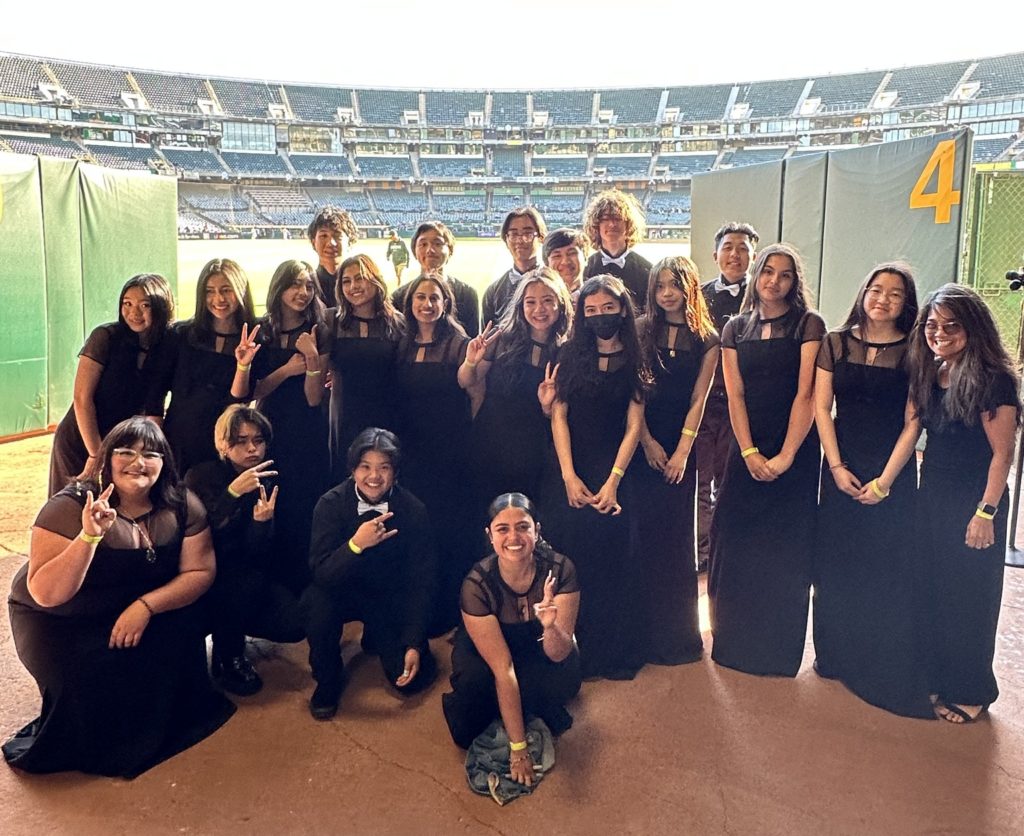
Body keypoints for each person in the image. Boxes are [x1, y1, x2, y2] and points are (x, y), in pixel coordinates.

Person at [3, 417, 235, 777]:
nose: (138, 462)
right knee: (82, 683)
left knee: (172, 648)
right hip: (59, 614)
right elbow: (47, 594)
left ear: (165, 462)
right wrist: (89, 537)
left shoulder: (182, 503)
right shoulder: (66, 507)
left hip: (131, 602)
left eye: (151, 453)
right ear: (107, 458)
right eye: (126, 451)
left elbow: (200, 572)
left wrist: (145, 607)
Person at [812, 263, 933, 718]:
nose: (883, 299)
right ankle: (836, 655)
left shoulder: (914, 349)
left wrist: (886, 480)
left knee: (883, 567)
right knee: (837, 564)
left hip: (892, 472)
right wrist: (837, 466)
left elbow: (914, 421)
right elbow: (823, 407)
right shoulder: (835, 343)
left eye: (895, 294)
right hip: (842, 465)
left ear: (907, 303)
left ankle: (873, 655)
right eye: (876, 289)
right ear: (863, 292)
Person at [709, 244, 825, 677]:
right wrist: (750, 452)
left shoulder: (809, 324)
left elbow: (806, 393)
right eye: (768, 273)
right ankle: (734, 643)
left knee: (785, 550)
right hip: (747, 447)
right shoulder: (735, 328)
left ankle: (776, 651)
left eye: (786, 275)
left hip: (793, 445)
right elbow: (735, 394)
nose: (775, 282)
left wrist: (787, 455)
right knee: (737, 543)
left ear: (795, 283)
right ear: (756, 277)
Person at [908, 284, 1020, 724]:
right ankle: (939, 675)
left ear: (972, 328)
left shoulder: (994, 379)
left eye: (952, 326)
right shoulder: (934, 371)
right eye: (933, 325)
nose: (940, 333)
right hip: (932, 494)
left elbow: (1002, 454)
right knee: (934, 591)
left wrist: (986, 512)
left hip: (975, 502)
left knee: (969, 598)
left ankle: (972, 690)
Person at [546, 275, 648, 680]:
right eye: (590, 311)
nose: (599, 317)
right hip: (575, 469)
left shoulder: (638, 356)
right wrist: (569, 476)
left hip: (619, 474)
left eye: (607, 308)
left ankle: (614, 652)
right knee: (578, 560)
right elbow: (559, 416)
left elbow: (634, 425)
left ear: (622, 308)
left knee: (616, 563)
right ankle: (575, 653)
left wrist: (614, 481)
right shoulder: (569, 354)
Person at [442, 493, 581, 785]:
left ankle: (515, 708)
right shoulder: (476, 584)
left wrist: (551, 626)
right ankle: (508, 711)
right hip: (488, 652)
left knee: (561, 684)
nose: (513, 537)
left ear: (537, 531)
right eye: (502, 529)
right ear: (489, 536)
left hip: (538, 642)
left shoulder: (561, 569)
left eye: (523, 527)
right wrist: (519, 751)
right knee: (468, 721)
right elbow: (503, 670)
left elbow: (558, 653)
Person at [305, 428, 438, 720]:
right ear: (352, 470)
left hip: (387, 594)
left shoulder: (413, 510)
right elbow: (321, 574)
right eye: (365, 466)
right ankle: (327, 680)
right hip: (340, 589)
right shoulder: (330, 504)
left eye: (383, 468)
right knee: (317, 606)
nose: (374, 476)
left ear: (395, 472)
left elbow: (421, 581)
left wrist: (414, 641)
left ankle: (379, 636)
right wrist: (355, 545)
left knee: (411, 681)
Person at [185, 406, 306, 696]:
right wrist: (233, 493)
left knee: (294, 623)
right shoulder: (201, 476)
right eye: (241, 441)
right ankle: (228, 655)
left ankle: (237, 627)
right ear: (223, 445)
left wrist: (261, 524)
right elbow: (200, 534)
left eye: (258, 440)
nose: (252, 448)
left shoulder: (269, 476)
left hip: (248, 572)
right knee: (237, 582)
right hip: (206, 572)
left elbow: (258, 551)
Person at [633, 257, 719, 665]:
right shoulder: (640, 329)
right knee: (642, 536)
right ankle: (642, 634)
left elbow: (699, 399)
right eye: (660, 285)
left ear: (690, 288)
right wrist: (646, 441)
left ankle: (676, 639)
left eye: (675, 285)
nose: (667, 293)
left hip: (681, 448)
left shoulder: (707, 338)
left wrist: (682, 451)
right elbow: (633, 393)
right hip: (641, 439)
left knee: (676, 541)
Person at [395, 274, 482, 634]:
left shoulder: (458, 342)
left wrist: (473, 363)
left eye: (434, 298)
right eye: (420, 297)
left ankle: (451, 608)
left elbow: (468, 383)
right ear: (410, 302)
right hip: (412, 452)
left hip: (449, 451)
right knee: (417, 528)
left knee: (449, 528)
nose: (427, 304)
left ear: (445, 303)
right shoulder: (400, 342)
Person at [240, 260, 330, 593]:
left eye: (308, 285)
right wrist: (288, 369)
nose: (302, 293)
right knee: (272, 499)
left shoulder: (319, 328)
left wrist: (310, 362)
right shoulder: (261, 330)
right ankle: (272, 581)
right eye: (295, 284)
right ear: (280, 287)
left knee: (304, 501)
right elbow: (253, 390)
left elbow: (313, 398)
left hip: (308, 430)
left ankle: (303, 580)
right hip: (270, 427)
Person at [460, 267, 573, 526]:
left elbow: (558, 416)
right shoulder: (502, 338)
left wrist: (547, 407)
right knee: (486, 517)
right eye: (530, 302)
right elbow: (466, 381)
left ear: (560, 304)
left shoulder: (567, 350)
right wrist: (470, 361)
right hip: (490, 444)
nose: (539, 309)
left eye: (547, 301)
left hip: (535, 451)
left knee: (528, 520)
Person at [48, 274, 178, 496]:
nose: (134, 313)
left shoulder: (167, 346)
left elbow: (154, 408)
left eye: (144, 305)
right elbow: (82, 398)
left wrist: (147, 455)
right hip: (83, 436)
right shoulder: (106, 337)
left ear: (161, 307)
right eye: (127, 303)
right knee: (70, 506)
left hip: (123, 445)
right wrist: (95, 455)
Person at [696, 222, 759, 573]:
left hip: (744, 404)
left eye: (743, 248)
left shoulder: (762, 298)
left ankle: (731, 545)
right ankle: (704, 551)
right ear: (715, 254)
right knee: (703, 479)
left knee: (734, 477)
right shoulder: (700, 296)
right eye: (728, 247)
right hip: (706, 402)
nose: (735, 255)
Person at [163, 258, 257, 475]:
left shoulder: (255, 338)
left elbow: (238, 401)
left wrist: (243, 365)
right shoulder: (181, 335)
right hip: (179, 438)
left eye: (226, 290)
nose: (218, 299)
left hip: (224, 441)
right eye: (210, 291)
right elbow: (156, 393)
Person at [327, 254, 405, 480]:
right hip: (345, 413)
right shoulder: (331, 321)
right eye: (346, 281)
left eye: (360, 278)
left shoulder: (397, 323)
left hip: (387, 414)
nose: (353, 286)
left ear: (375, 280)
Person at [391, 221, 481, 337]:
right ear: (414, 251)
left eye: (437, 244)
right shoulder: (399, 297)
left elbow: (471, 341)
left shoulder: (467, 295)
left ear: (450, 250)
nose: (430, 250)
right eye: (423, 244)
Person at [581, 189, 650, 312]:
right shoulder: (585, 267)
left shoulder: (646, 269)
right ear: (596, 225)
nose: (612, 224)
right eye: (606, 219)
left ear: (629, 225)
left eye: (618, 218)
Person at [481, 207, 547, 325]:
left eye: (528, 234)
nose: (520, 240)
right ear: (506, 240)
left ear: (541, 238)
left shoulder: (555, 284)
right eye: (513, 234)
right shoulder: (493, 292)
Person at [307, 206, 359, 307]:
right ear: (314, 243)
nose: (331, 243)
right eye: (324, 236)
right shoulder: (307, 286)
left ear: (350, 242)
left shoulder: (362, 285)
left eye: (337, 236)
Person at [542, 227, 587, 301]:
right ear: (546, 264)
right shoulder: (541, 303)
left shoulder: (599, 297)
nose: (565, 262)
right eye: (557, 256)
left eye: (571, 253)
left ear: (585, 258)